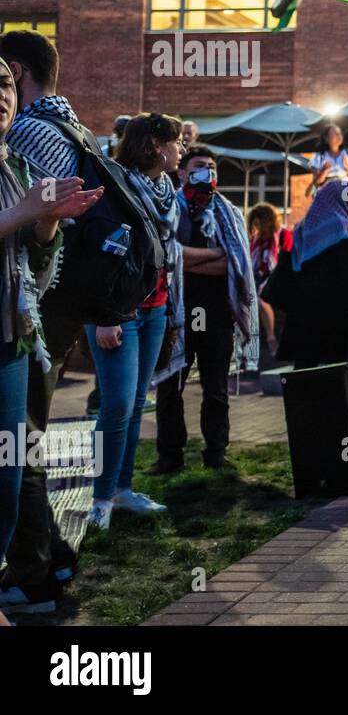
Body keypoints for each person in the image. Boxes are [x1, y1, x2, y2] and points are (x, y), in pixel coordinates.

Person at [1, 29, 105, 612]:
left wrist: (38, 219)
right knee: (22, 443)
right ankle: (52, 554)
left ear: (16, 73)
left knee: (21, 446)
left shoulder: (27, 135)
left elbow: (33, 238)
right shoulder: (75, 128)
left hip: (35, 311)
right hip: (47, 310)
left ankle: (33, 572)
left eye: (2, 79)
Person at [85, 114, 186, 529]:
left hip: (155, 307)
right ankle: (101, 500)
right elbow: (102, 250)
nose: (183, 150)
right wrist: (105, 316)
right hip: (117, 312)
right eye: (177, 143)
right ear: (157, 146)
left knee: (136, 403)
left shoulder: (165, 188)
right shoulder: (117, 182)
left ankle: (123, 491)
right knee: (117, 404)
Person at [150, 146, 260, 474]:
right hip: (175, 314)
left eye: (211, 167)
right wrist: (212, 255)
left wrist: (184, 258)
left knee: (216, 389)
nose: (207, 172)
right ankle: (170, 457)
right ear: (182, 172)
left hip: (216, 315)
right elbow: (164, 255)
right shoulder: (168, 208)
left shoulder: (227, 212)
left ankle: (216, 453)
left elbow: (235, 264)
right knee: (170, 387)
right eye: (199, 166)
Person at [262, 179, 348, 370]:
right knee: (337, 371)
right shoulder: (342, 226)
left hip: (303, 313)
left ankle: (305, 401)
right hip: (336, 313)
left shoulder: (303, 227)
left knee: (304, 370)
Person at [248, 202, 292, 356]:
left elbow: (286, 261)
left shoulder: (283, 235)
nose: (257, 228)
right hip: (259, 276)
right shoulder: (257, 240)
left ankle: (271, 337)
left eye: (259, 224)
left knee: (261, 298)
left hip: (277, 277)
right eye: (254, 224)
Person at [307, 123, 348, 195]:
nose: (339, 136)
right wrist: (324, 171)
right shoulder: (319, 157)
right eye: (335, 133)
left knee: (345, 206)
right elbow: (316, 182)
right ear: (326, 138)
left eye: (340, 133)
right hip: (327, 191)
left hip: (345, 189)